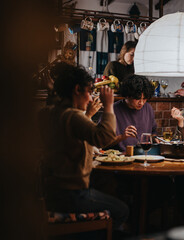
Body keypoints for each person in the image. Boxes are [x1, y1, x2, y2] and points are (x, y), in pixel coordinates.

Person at [38, 62, 129, 231]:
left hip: (50, 192)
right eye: (89, 92)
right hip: (72, 194)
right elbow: (104, 138)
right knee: (122, 210)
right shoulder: (72, 116)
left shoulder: (48, 112)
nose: (89, 98)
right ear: (77, 90)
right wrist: (109, 105)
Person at [110, 74, 158, 152]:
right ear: (127, 96)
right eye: (137, 99)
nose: (141, 103)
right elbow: (101, 143)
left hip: (143, 155)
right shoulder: (112, 110)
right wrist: (122, 137)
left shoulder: (148, 108)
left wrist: (155, 138)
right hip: (119, 158)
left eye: (144, 99)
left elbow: (153, 132)